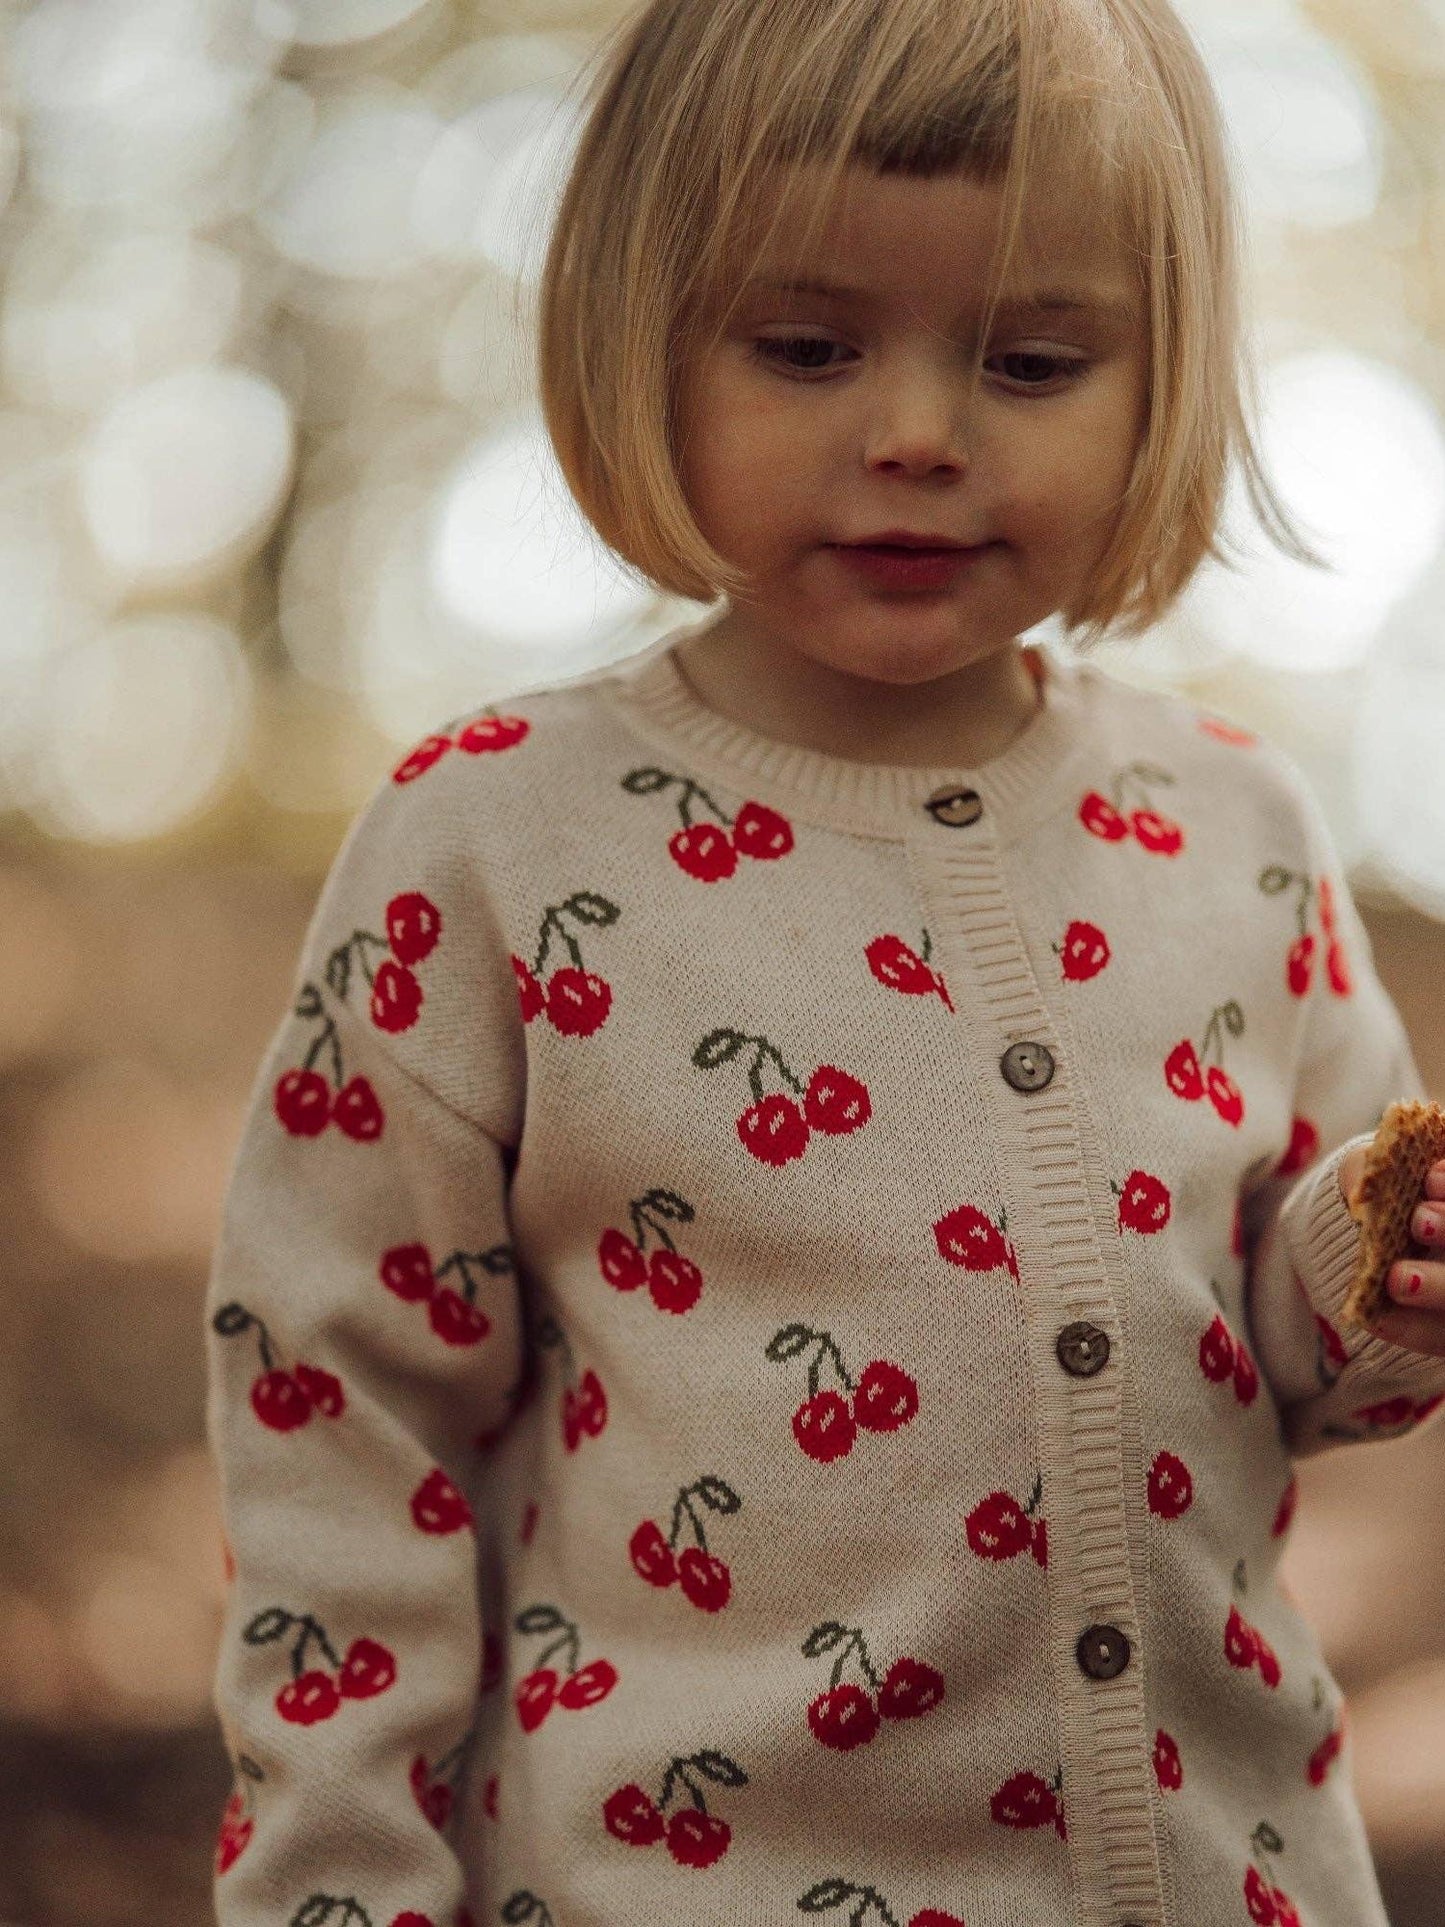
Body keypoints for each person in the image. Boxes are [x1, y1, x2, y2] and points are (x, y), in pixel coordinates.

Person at [204, 1, 1445, 1923]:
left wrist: (1381, 1272)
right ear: (644, 341)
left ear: (1164, 379)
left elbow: (1288, 1336)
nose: (918, 436)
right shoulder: (497, 837)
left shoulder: (1234, 826)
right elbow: (343, 1418)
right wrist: (336, 1880)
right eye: (803, 347)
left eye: (1033, 360)